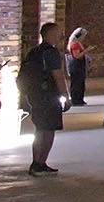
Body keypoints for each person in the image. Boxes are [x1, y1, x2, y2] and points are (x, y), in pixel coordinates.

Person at [17, 22, 70, 175]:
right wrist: (66, 96)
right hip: (49, 96)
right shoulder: (51, 53)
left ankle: (36, 162)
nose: (61, 35)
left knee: (40, 129)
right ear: (51, 34)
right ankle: (41, 163)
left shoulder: (34, 52)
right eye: (58, 32)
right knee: (49, 130)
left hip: (35, 95)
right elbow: (58, 76)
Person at [65, 27, 89, 106]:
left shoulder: (78, 43)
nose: (84, 38)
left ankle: (80, 99)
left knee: (81, 83)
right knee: (76, 83)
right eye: (83, 36)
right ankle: (75, 100)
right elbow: (77, 56)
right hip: (76, 65)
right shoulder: (74, 44)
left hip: (80, 65)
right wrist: (86, 51)